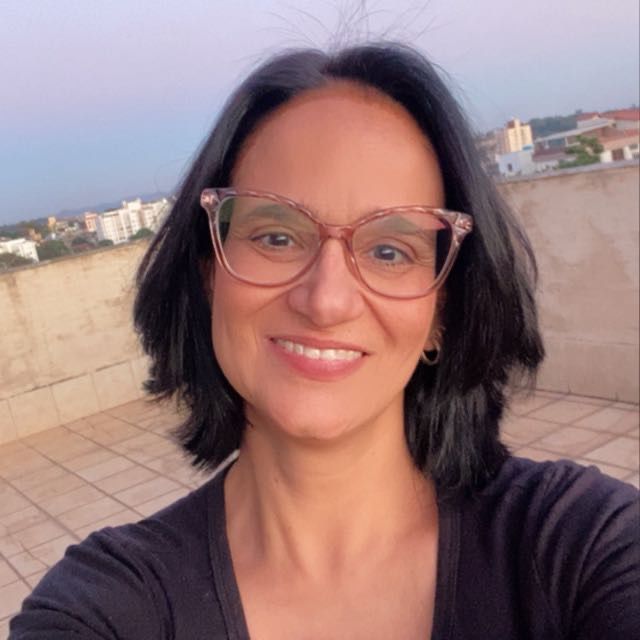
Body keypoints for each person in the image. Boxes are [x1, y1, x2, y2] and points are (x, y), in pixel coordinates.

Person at [10, 42, 639, 640]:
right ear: (208, 275)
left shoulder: (580, 545)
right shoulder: (109, 604)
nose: (327, 300)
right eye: (277, 238)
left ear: (441, 314)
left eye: (390, 251)